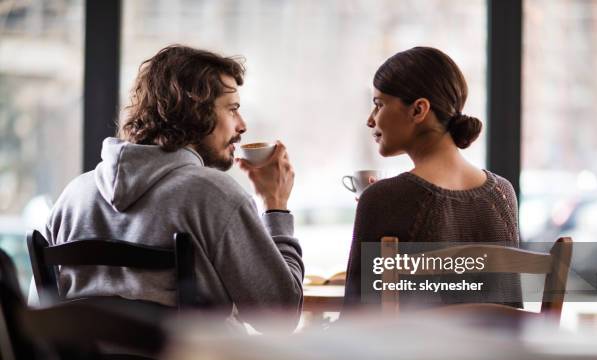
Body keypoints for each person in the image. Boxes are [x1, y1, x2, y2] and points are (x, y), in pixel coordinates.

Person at [30, 45, 304, 331]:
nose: (242, 125)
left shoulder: (73, 197)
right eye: (232, 109)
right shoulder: (214, 195)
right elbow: (279, 318)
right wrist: (275, 205)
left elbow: (37, 318)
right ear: (196, 110)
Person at [344, 47, 522, 309]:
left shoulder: (383, 199)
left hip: (418, 351)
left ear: (418, 110)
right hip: (494, 351)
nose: (371, 121)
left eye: (379, 105)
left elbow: (356, 321)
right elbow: (511, 314)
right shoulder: (503, 194)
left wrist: (378, 208)